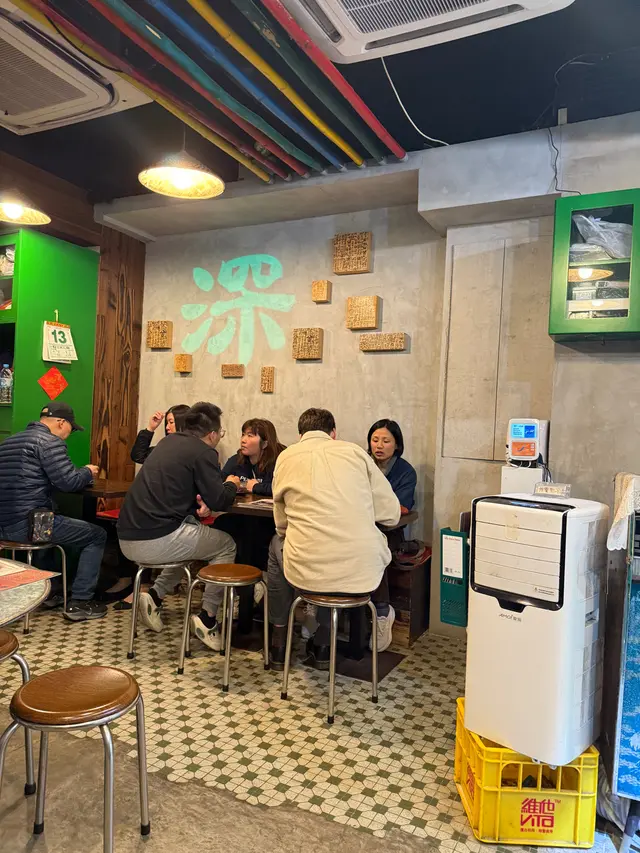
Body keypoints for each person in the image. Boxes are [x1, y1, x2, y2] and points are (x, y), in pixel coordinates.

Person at [268, 408, 400, 669]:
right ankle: (323, 645)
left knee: (277, 546)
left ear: (300, 435)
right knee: (334, 560)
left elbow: (281, 525)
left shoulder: (286, 456)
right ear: (333, 433)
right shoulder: (355, 453)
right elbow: (391, 515)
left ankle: (279, 640)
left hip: (306, 573)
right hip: (362, 574)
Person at [117, 402, 240, 651]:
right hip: (154, 540)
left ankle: (155, 595)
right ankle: (208, 618)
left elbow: (174, 492)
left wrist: (200, 506)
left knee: (192, 535)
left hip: (126, 537)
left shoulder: (166, 443)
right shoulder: (204, 452)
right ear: (212, 434)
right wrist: (232, 484)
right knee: (226, 545)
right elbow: (220, 499)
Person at [0, 402, 107, 622]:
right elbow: (69, 482)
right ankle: (81, 602)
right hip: (30, 525)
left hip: (4, 526)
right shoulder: (49, 442)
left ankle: (51, 592)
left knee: (50, 526)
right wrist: (87, 471)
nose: (69, 433)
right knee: (97, 535)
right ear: (61, 422)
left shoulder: (9, 442)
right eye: (71, 428)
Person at [221, 418, 285, 496]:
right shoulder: (236, 460)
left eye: (250, 436)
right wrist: (230, 483)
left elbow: (283, 488)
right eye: (243, 435)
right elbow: (217, 484)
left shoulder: (280, 461)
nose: (243, 440)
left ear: (264, 444)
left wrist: (255, 487)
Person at [367, 419, 417, 510]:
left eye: (386, 441)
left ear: (397, 445)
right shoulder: (362, 464)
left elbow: (401, 507)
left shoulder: (406, 472)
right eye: (375, 440)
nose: (379, 446)